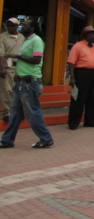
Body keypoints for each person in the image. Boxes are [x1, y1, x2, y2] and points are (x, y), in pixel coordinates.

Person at [0, 19, 54, 149]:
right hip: (21, 82)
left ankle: (46, 138)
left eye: (26, 24)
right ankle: (7, 140)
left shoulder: (36, 41)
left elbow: (36, 60)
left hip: (30, 82)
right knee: (15, 113)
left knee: (32, 112)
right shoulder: (26, 40)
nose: (23, 26)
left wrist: (18, 57)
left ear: (33, 27)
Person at [67, 26, 94, 130]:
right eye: (91, 33)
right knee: (79, 99)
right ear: (86, 35)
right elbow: (71, 63)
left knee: (93, 98)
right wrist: (72, 78)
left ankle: (90, 121)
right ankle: (73, 122)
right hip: (82, 73)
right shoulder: (78, 46)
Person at [0, 17, 24, 122]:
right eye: (8, 25)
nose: (10, 27)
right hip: (7, 66)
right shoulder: (2, 37)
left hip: (19, 67)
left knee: (18, 90)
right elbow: (1, 54)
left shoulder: (21, 37)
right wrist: (1, 68)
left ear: (17, 26)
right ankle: (6, 111)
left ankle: (17, 110)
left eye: (12, 25)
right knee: (7, 89)